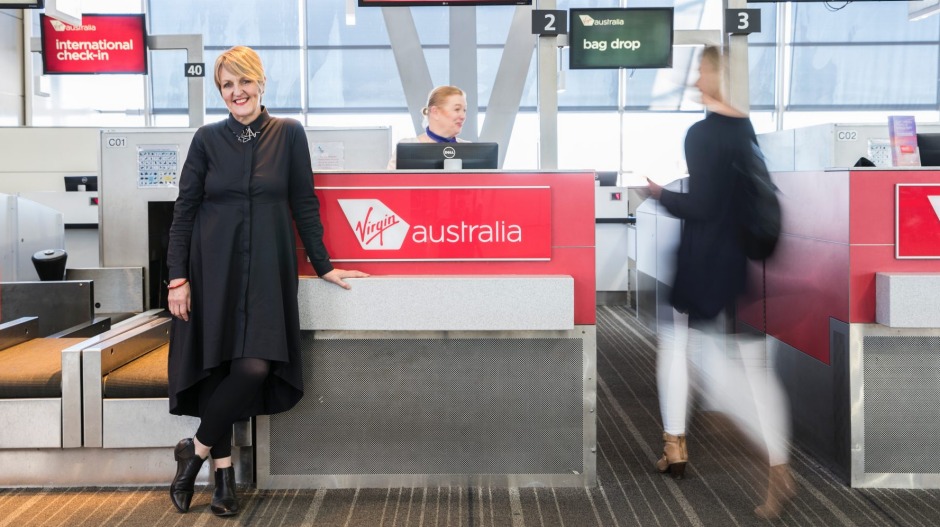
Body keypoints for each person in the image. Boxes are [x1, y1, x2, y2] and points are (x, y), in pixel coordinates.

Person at [165, 45, 368, 517]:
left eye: (244, 82)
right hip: (211, 270)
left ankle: (191, 451)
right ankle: (222, 479)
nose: (237, 92)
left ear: (260, 83)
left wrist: (324, 265)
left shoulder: (288, 134)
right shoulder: (206, 139)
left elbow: (304, 204)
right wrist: (178, 278)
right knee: (218, 368)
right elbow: (184, 211)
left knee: (252, 366)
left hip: (266, 274)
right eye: (227, 86)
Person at [646, 46, 794, 519]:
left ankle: (681, 444)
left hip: (701, 260)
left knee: (689, 353)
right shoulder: (745, 129)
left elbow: (703, 205)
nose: (696, 78)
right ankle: (773, 461)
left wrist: (657, 194)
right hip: (736, 261)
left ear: (716, 77)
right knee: (743, 362)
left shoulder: (703, 134)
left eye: (702, 70)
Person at [387, 85, 468, 169]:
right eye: (457, 109)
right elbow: (388, 181)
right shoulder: (407, 149)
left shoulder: (469, 149)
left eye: (464, 110)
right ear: (435, 112)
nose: (463, 116)